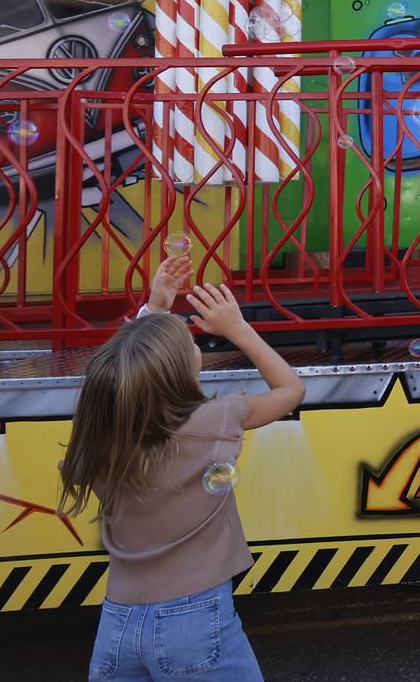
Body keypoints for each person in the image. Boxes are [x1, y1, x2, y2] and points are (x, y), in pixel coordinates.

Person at [58, 256, 306, 681]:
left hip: (118, 622)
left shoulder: (101, 435)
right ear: (178, 372)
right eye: (190, 346)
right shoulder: (211, 421)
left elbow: (117, 374)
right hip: (195, 617)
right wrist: (237, 329)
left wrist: (154, 308)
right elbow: (290, 389)